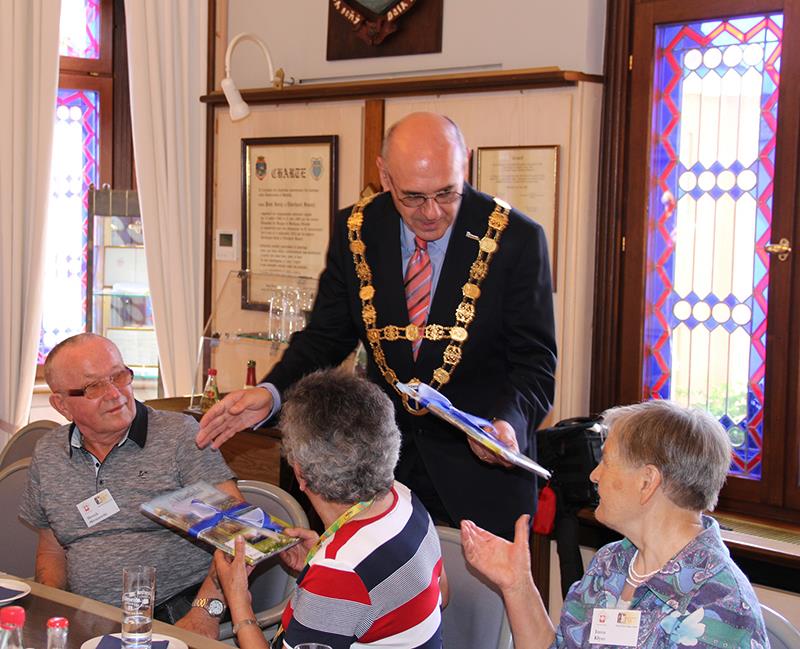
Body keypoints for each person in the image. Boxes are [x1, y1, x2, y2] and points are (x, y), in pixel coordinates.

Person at [197, 112, 557, 539]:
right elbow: (325, 338)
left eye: (447, 193)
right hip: (381, 474)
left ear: (467, 164)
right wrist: (271, 392)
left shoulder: (517, 239)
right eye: (412, 197)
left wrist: (507, 426)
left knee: (476, 608)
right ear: (384, 176)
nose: (431, 212)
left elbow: (535, 365)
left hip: (480, 481)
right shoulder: (358, 230)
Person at [460, 400, 769, 648]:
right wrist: (518, 585)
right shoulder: (613, 563)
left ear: (647, 482)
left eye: (606, 460)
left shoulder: (721, 608)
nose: (594, 475)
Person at [19, 333, 240, 635]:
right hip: (86, 619)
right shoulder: (49, 453)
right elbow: (52, 549)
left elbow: (237, 535)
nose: (115, 393)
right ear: (62, 405)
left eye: (119, 375)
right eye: (94, 386)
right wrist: (54, 610)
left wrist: (207, 612)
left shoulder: (180, 437)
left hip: (173, 615)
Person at [214, 368, 445, 649]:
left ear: (299, 473)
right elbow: (443, 594)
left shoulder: (339, 569)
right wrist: (321, 555)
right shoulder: (404, 499)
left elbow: (350, 575)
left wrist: (238, 601)